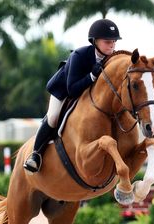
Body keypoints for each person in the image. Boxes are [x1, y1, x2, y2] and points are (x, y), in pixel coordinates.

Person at [23, 19, 122, 174]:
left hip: (90, 95)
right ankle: (35, 155)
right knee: (53, 117)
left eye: (114, 42)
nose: (112, 45)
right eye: (107, 41)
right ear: (95, 41)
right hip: (63, 90)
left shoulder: (112, 59)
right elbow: (72, 90)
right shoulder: (79, 55)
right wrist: (91, 76)